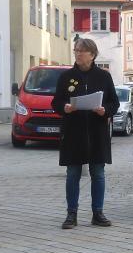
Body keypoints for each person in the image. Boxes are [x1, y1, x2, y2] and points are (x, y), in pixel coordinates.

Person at [51, 38, 121, 229]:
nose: (78, 54)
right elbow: (55, 102)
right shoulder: (66, 77)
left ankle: (97, 213)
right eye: (76, 50)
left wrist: (104, 110)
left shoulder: (104, 77)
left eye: (82, 51)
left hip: (97, 132)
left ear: (92, 54)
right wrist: (64, 108)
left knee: (98, 173)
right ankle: (71, 214)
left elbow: (114, 103)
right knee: (72, 173)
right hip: (73, 132)